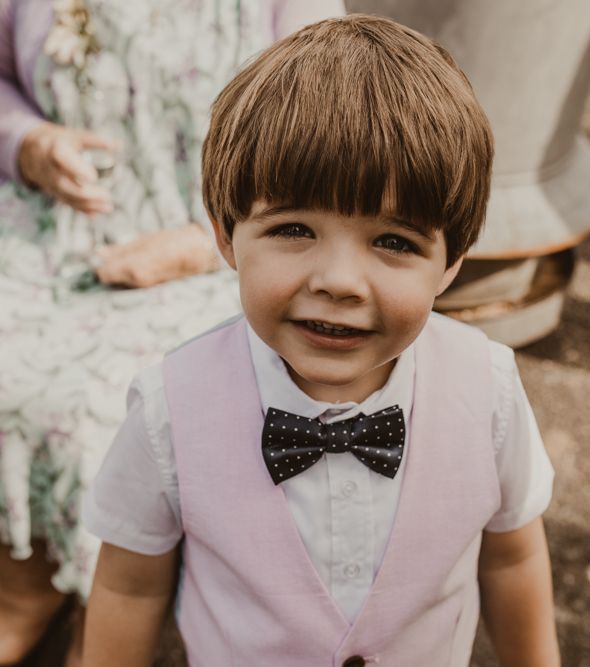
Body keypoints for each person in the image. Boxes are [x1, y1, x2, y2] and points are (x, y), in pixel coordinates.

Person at [82, 14, 560, 666]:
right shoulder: (171, 408)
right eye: (293, 229)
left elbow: (512, 555)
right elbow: (128, 585)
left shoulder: (490, 389)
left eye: (393, 242)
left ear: (450, 261)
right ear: (226, 236)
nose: (338, 281)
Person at [0, 0, 343, 664]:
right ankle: (26, 576)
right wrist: (29, 144)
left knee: (115, 403)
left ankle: (109, 614)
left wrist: (202, 241)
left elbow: (326, 141)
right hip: (45, 229)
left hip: (232, 248)